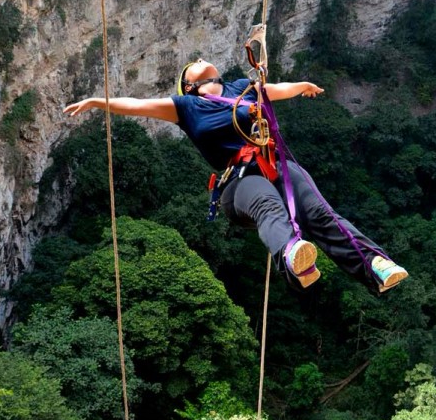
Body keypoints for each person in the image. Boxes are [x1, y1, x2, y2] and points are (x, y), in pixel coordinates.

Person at [63, 59, 408, 294]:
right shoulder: (186, 107)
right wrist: (98, 102)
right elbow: (136, 104)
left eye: (206, 64)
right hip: (239, 182)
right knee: (269, 207)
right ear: (188, 85)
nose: (200, 60)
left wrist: (300, 85)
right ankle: (293, 257)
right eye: (193, 67)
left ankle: (375, 264)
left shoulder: (241, 87)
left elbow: (275, 90)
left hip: (277, 164)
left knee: (320, 214)